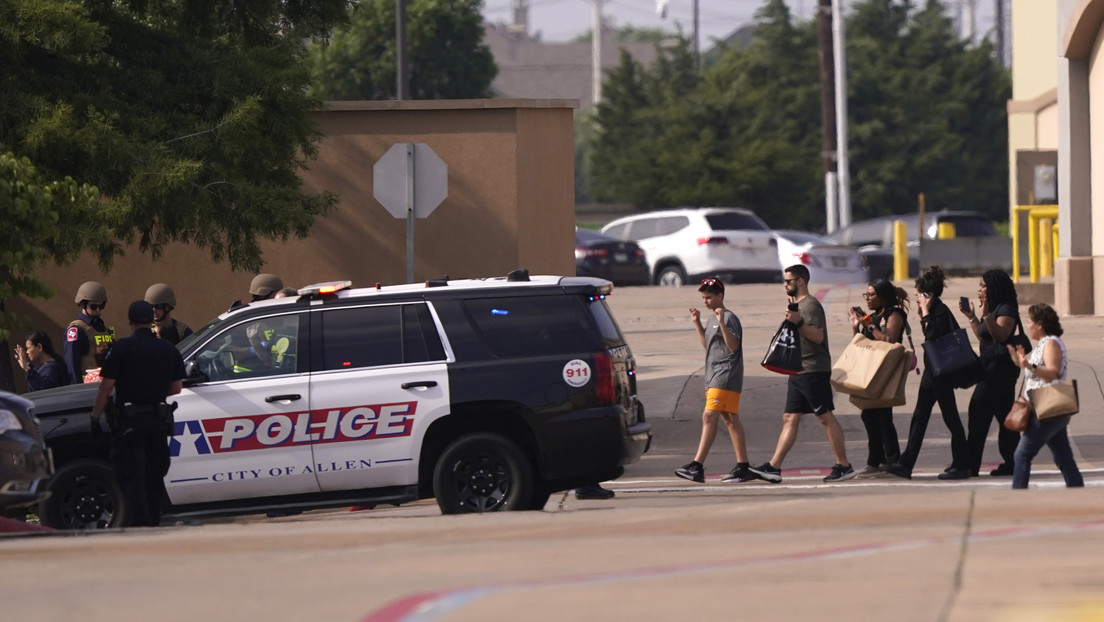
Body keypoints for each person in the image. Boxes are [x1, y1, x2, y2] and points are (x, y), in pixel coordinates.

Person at [749, 265, 856, 484]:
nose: (785, 285)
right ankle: (774, 466)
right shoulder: (798, 305)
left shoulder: (811, 305)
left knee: (825, 416)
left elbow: (817, 336)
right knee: (790, 417)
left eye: (788, 281)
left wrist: (797, 321)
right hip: (798, 369)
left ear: (800, 281)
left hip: (813, 369)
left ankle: (844, 465)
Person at [91, 301, 186, 527]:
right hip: (157, 422)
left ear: (130, 322)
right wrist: (153, 392)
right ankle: (153, 522)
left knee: (132, 478)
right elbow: (176, 388)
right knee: (155, 476)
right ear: (152, 321)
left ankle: (138, 525)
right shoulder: (168, 349)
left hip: (129, 424)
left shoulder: (122, 349)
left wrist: (95, 418)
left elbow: (106, 388)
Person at [886, 266, 970, 480]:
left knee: (950, 417)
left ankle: (962, 464)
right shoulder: (935, 310)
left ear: (928, 294)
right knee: (920, 417)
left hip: (941, 374)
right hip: (933, 372)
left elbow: (931, 336)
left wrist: (924, 311)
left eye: (919, 293)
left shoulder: (939, 311)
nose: (916, 296)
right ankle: (906, 463)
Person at [674, 277, 752, 484]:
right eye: (703, 298)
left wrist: (722, 323)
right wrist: (697, 323)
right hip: (714, 375)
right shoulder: (712, 319)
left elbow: (733, 346)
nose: (705, 301)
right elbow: (707, 345)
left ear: (720, 296)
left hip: (725, 375)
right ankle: (743, 466)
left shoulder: (729, 317)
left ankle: (697, 465)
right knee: (730, 418)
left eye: (709, 297)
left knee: (709, 416)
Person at [1007, 303, 1084, 489]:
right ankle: (1077, 492)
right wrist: (1020, 362)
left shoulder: (1051, 343)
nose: (1028, 326)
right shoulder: (1043, 343)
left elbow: (1053, 373)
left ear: (1039, 325)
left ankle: (1017, 497)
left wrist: (1028, 365)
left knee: (1022, 455)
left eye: (1029, 322)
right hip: (1048, 409)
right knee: (1063, 458)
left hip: (1047, 408)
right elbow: (1037, 373)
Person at [960, 269, 1022, 477]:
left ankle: (971, 464)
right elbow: (984, 337)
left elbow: (1001, 335)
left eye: (983, 286)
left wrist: (986, 313)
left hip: (999, 371)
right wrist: (972, 317)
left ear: (994, 287)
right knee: (1005, 418)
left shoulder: (1006, 309)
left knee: (978, 411)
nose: (980, 289)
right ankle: (1014, 462)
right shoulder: (994, 308)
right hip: (989, 367)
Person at [848, 279, 909, 477]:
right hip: (870, 371)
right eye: (866, 295)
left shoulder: (894, 314)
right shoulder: (872, 317)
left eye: (872, 294)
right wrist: (855, 328)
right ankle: (876, 461)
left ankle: (892, 461)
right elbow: (860, 344)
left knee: (883, 416)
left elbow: (889, 341)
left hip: (885, 372)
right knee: (868, 415)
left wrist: (870, 325)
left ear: (883, 296)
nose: (868, 299)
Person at [63, 281, 116, 384]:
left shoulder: (105, 329)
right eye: (93, 306)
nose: (98, 309)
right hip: (87, 387)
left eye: (101, 306)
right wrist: (78, 389)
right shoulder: (76, 330)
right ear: (83, 304)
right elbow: (72, 364)